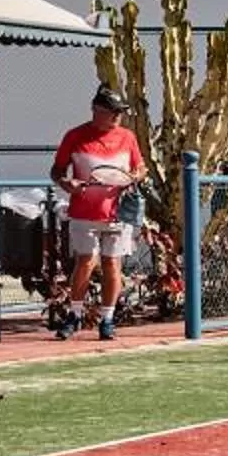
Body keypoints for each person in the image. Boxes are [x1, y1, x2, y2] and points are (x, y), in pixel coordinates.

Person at [50, 87, 144, 339]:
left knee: (112, 263)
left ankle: (108, 320)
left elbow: (140, 168)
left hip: (118, 214)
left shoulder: (127, 137)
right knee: (86, 261)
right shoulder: (75, 136)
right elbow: (57, 171)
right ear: (96, 110)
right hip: (84, 213)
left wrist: (135, 176)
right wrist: (67, 183)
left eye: (120, 112)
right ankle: (75, 315)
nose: (118, 117)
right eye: (113, 112)